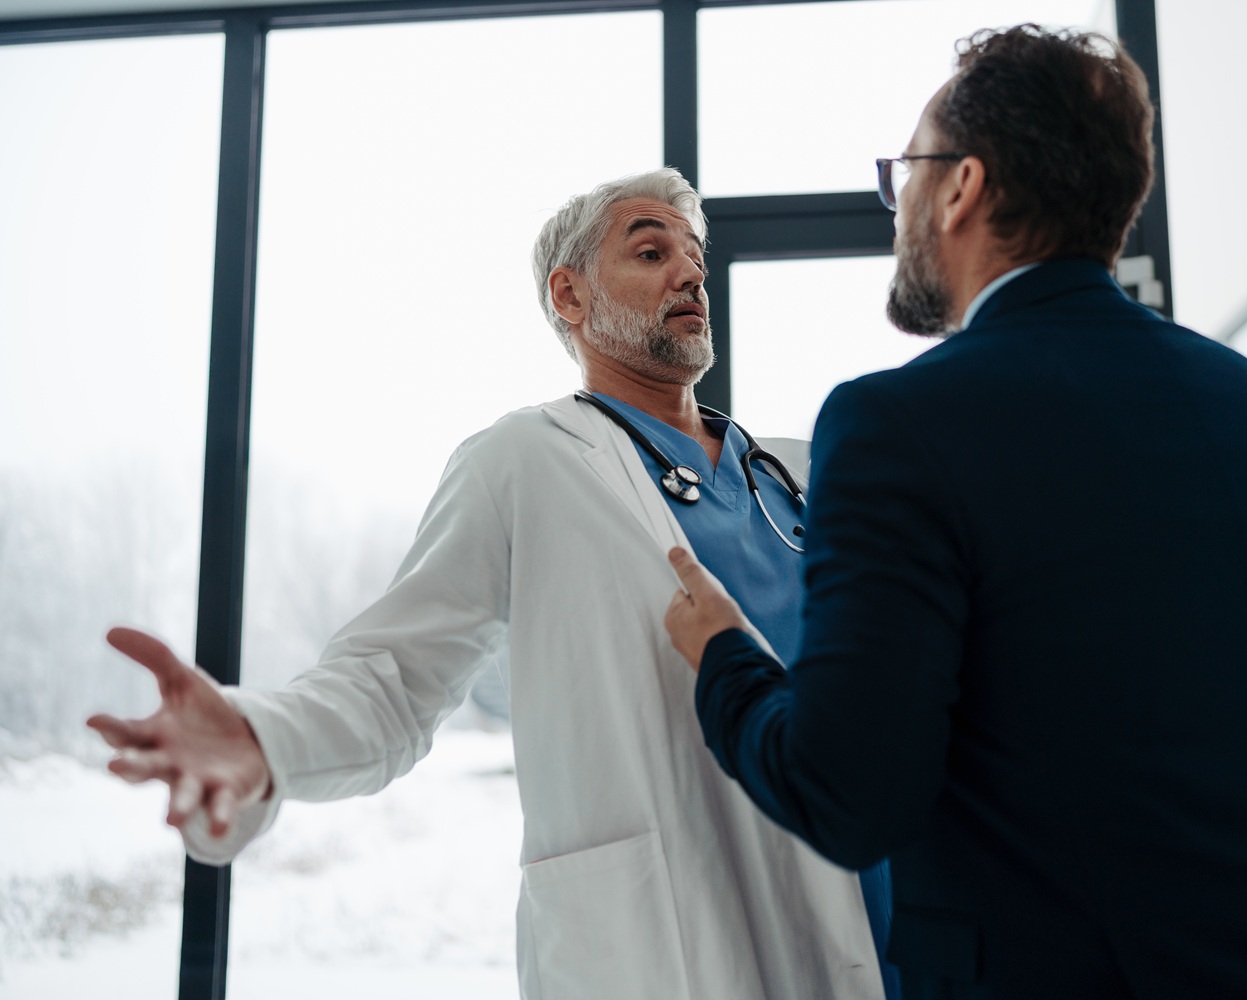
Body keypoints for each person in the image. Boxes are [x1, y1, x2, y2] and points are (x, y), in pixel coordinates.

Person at [661, 25, 1247, 1000]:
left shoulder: (896, 423)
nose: (898, 201)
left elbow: (848, 792)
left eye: (905, 170)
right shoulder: (1243, 398)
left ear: (961, 187)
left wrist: (725, 653)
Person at [87, 168, 893, 1000]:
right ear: (570, 295)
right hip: (676, 936)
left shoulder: (800, 471)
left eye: (695, 258)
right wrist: (263, 738)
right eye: (651, 252)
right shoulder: (525, 462)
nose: (690, 274)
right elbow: (393, 681)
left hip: (878, 902)